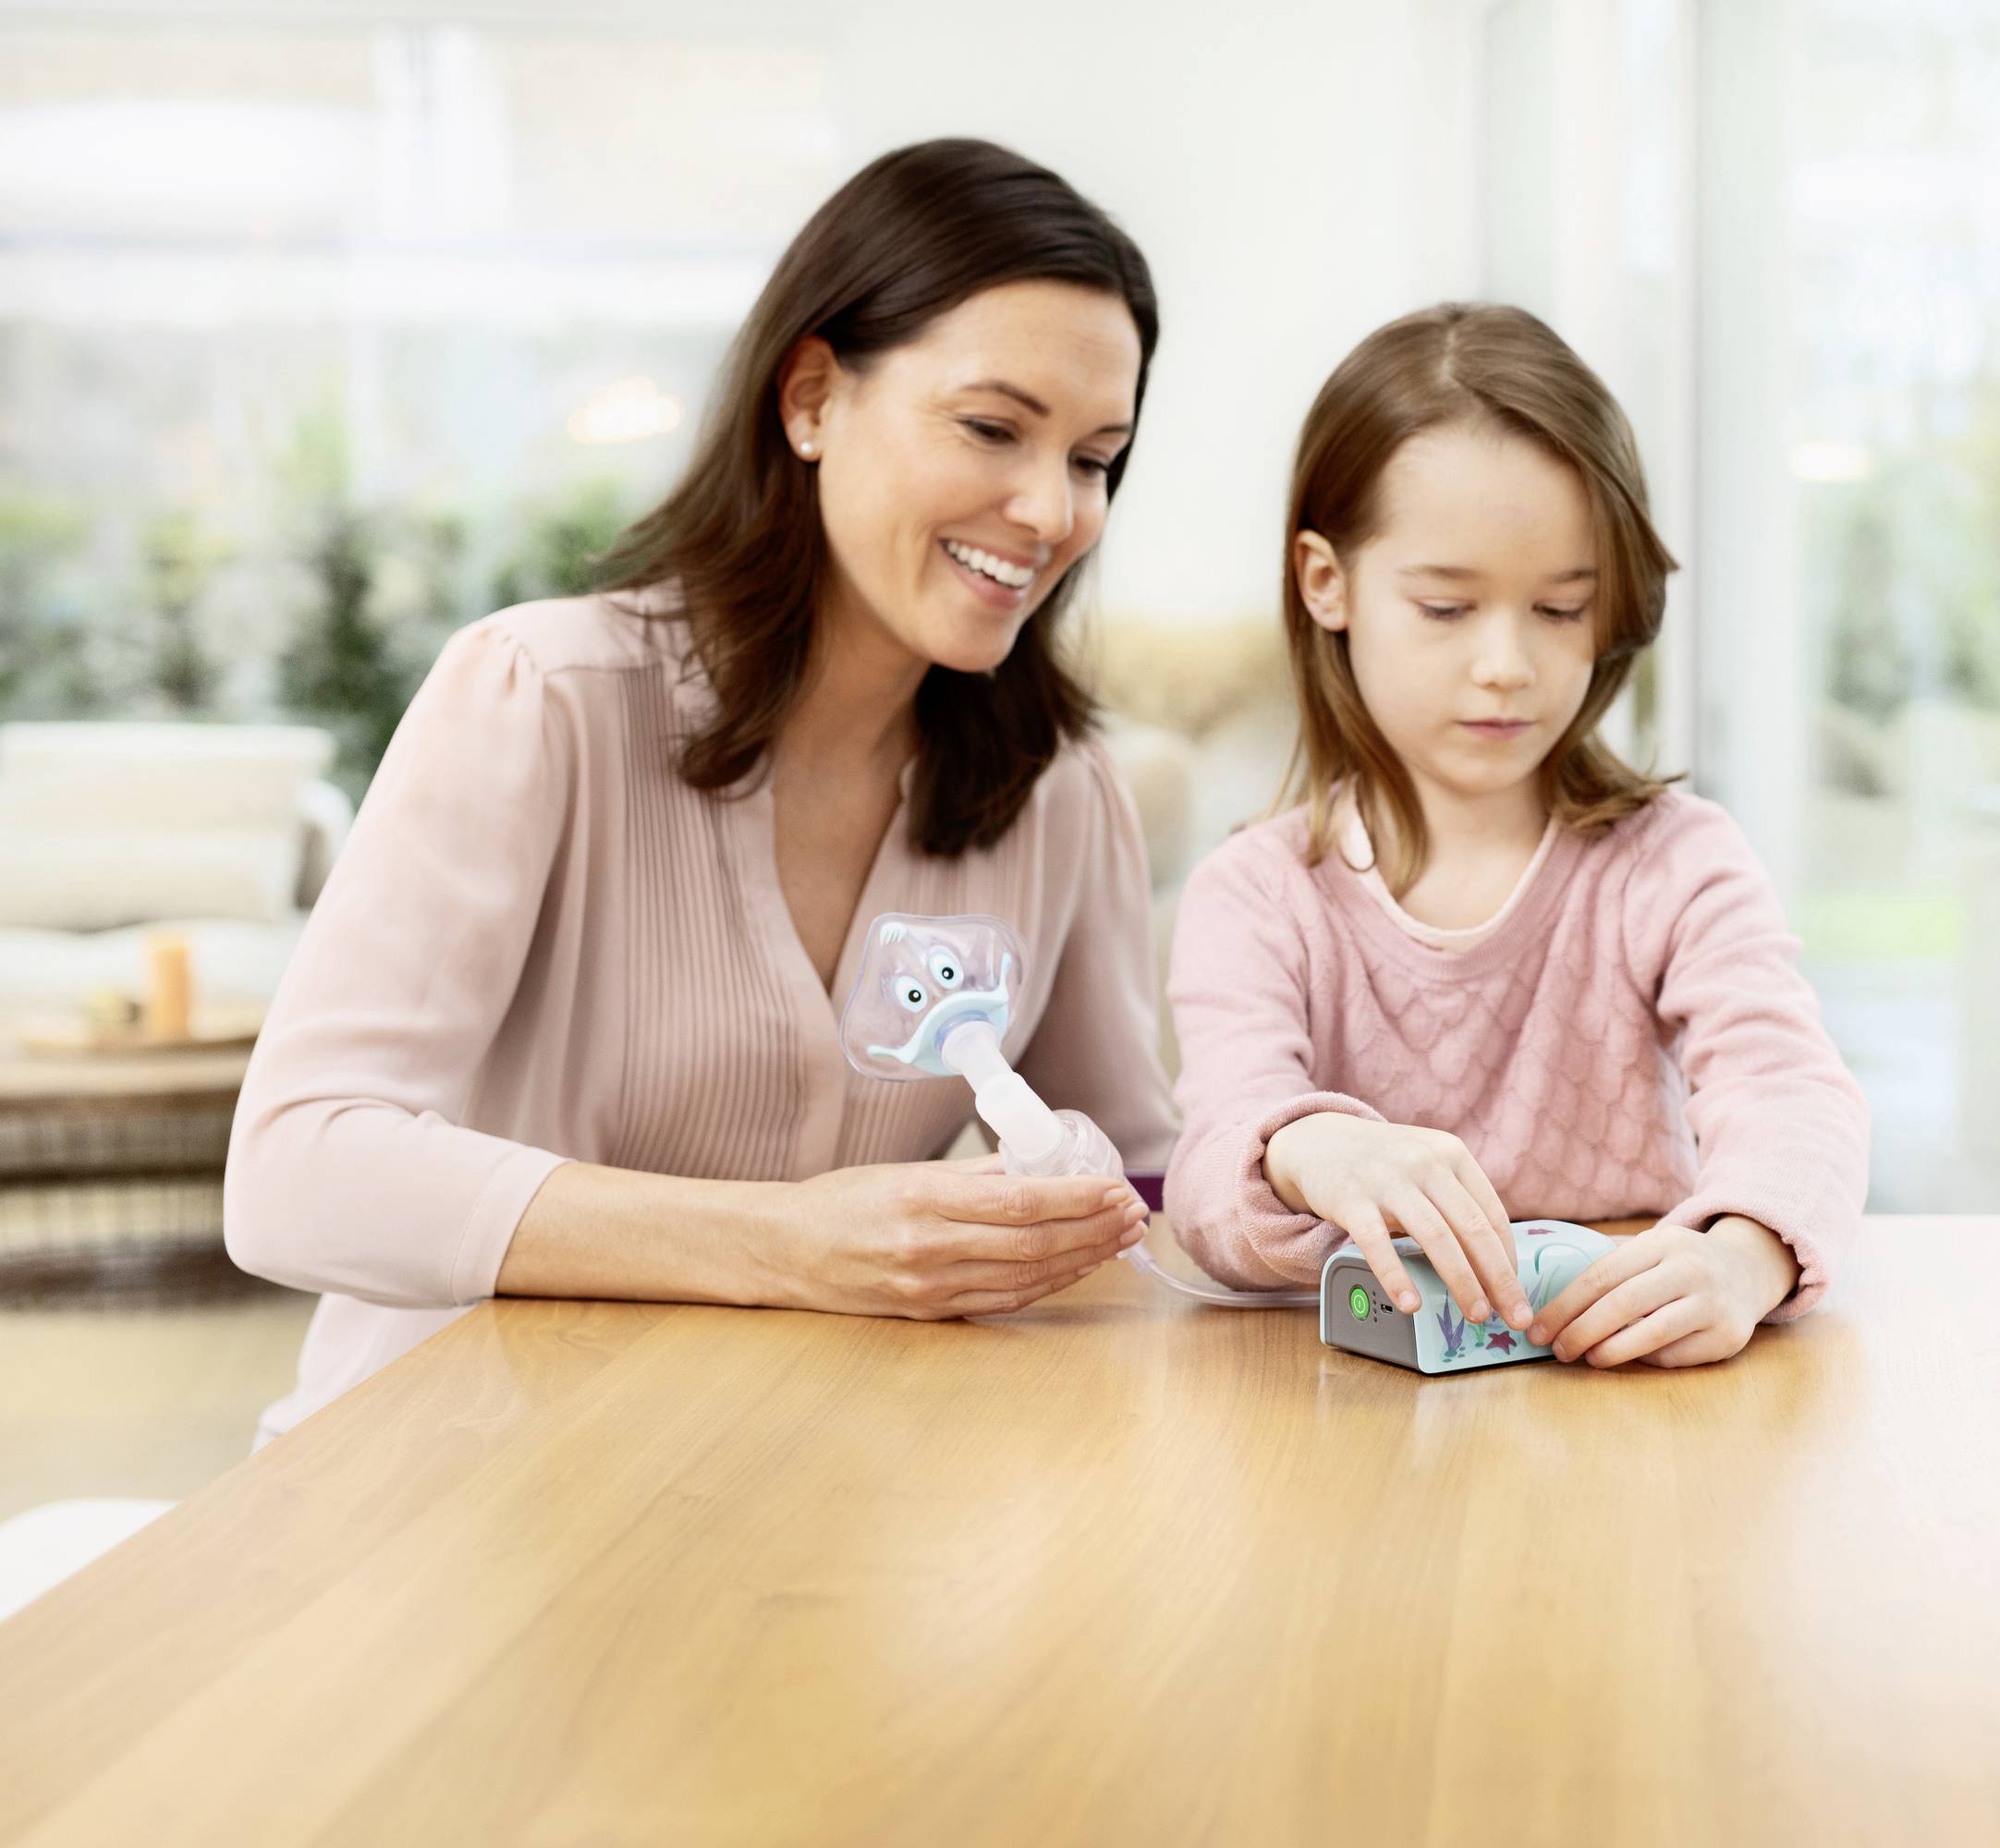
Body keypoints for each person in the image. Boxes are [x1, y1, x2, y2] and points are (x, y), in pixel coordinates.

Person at [227, 140, 1169, 1441]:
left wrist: (1311, 1159)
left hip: (796, 1499)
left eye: (1094, 458)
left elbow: (1136, 1175)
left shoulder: (1056, 794)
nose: (1048, 507)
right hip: (444, 1489)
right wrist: (789, 1244)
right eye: (993, 428)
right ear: (811, 399)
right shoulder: (541, 697)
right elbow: (295, 1173)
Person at [1163, 304, 1871, 1368]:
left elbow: (1792, 1094)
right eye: (1448, 608)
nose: (1508, 663)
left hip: (1630, 1393)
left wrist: (1742, 1257)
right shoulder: (1257, 894)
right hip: (1354, 1421)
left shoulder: (1675, 862)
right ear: (1328, 582)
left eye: (1559, 608)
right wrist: (1316, 1144)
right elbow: (1215, 1172)